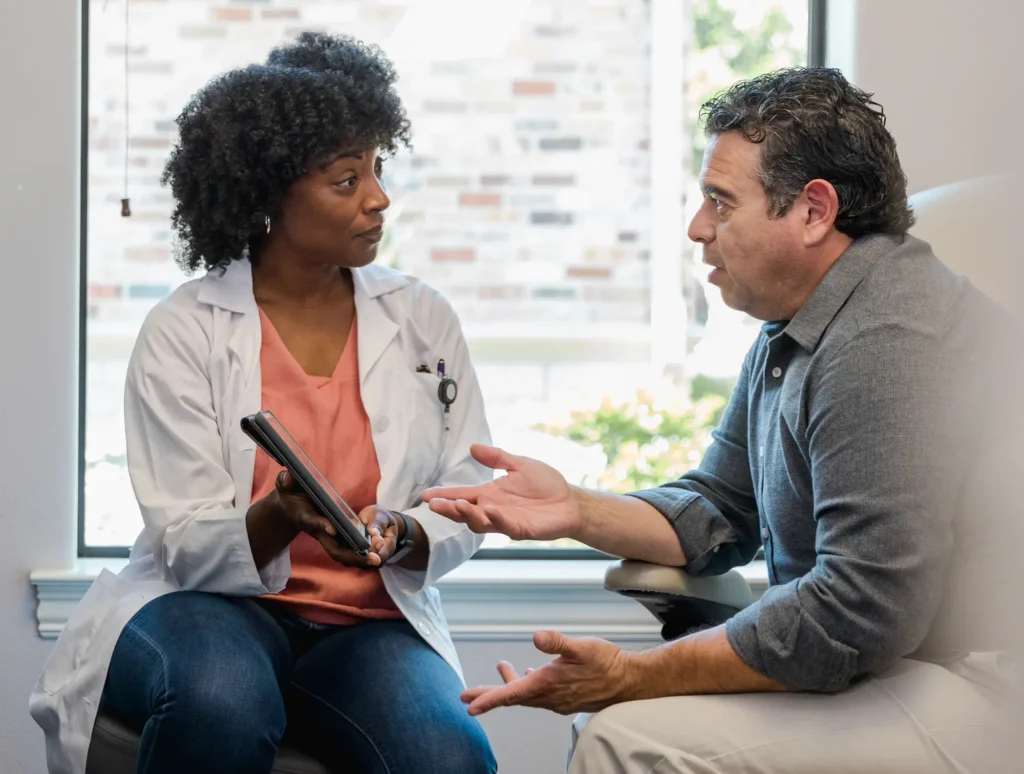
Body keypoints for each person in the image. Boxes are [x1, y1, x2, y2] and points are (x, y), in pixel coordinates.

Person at [423, 67, 1017, 772]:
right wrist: (575, 509)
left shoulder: (886, 338)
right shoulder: (800, 324)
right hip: (905, 661)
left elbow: (860, 611)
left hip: (986, 683)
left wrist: (634, 675)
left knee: (624, 736)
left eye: (721, 202)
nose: (698, 228)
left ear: (813, 210)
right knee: (619, 717)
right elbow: (723, 504)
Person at [30, 33, 496, 774]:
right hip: (206, 609)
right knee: (220, 701)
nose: (378, 197)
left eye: (378, 167)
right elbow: (184, 538)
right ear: (267, 196)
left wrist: (406, 531)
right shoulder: (187, 328)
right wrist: (280, 513)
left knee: (448, 751)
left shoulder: (422, 317)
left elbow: (469, 487)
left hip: (366, 624)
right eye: (346, 180)